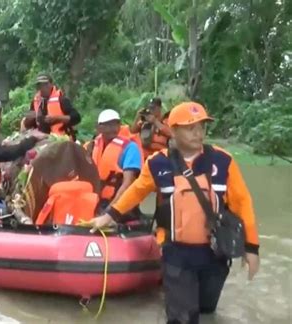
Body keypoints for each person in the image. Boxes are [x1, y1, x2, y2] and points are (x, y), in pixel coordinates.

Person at [89, 102, 260, 324]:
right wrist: (108, 216)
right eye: (191, 127)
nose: (198, 133)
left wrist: (251, 248)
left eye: (202, 127)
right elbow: (135, 192)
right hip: (176, 254)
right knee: (182, 318)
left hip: (216, 254)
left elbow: (242, 203)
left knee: (207, 311)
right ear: (174, 130)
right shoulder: (157, 163)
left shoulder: (223, 161)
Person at [85, 109, 143, 208]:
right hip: (95, 199)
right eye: (108, 125)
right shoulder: (92, 145)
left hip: (118, 202)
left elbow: (128, 183)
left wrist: (110, 210)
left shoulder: (130, 147)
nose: (113, 128)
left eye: (116, 124)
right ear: (99, 128)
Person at [29, 73, 81, 139]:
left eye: (45, 84)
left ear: (51, 84)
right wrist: (28, 120)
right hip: (42, 139)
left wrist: (57, 118)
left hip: (61, 139)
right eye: (39, 85)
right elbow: (32, 122)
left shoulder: (61, 100)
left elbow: (77, 117)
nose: (42, 88)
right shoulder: (35, 102)